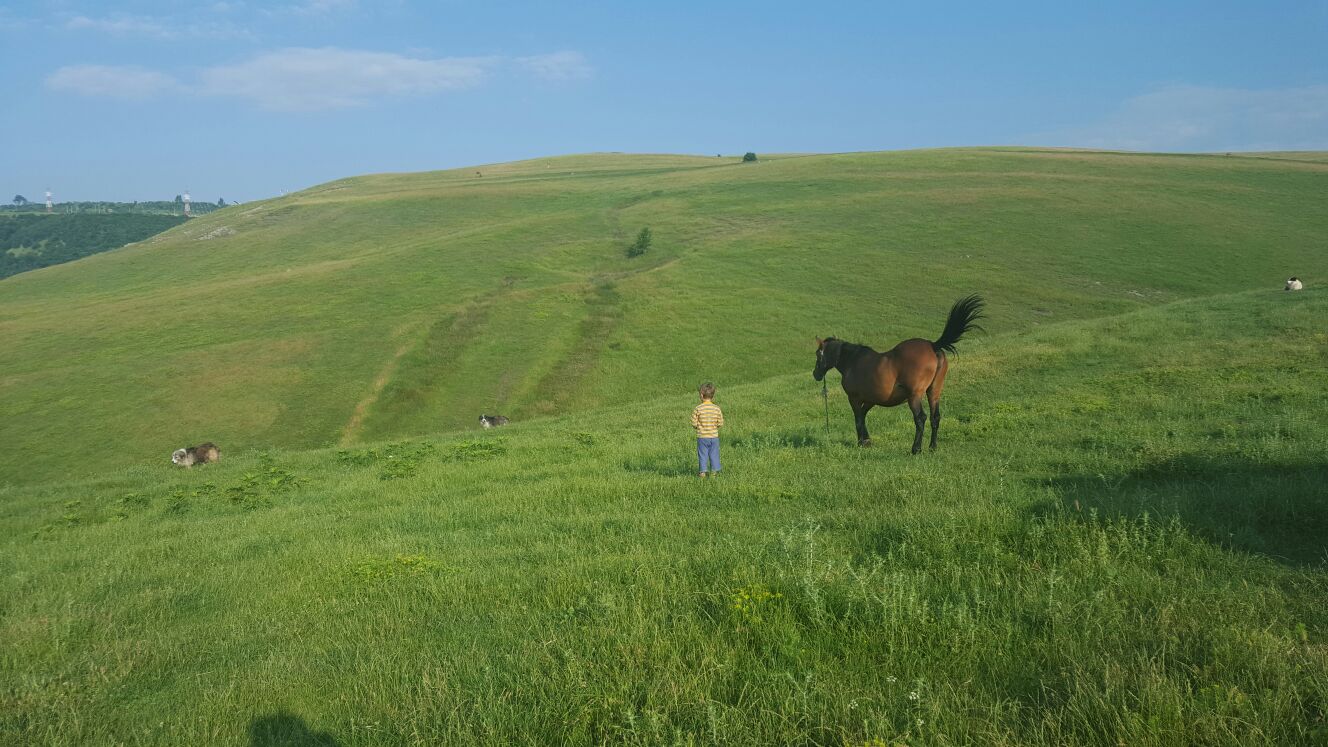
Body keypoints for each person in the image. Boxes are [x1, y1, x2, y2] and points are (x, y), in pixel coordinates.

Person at [691, 382, 725, 478]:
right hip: (714, 437)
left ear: (701, 395)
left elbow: (693, 423)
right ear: (713, 396)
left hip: (702, 437)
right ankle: (714, 473)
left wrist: (698, 427)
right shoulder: (717, 408)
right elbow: (720, 423)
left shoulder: (698, 408)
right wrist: (714, 427)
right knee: (714, 454)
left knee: (703, 455)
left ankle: (702, 472)